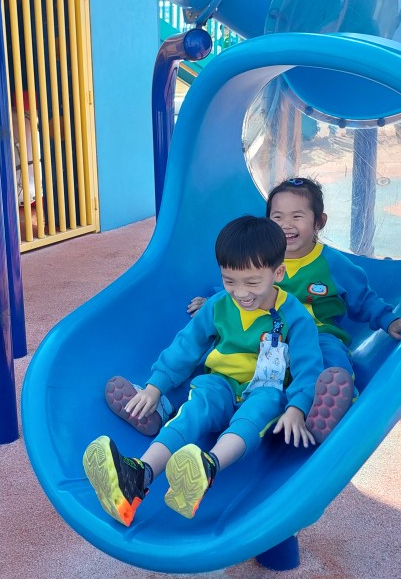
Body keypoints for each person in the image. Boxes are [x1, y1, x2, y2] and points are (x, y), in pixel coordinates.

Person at [83, 215, 324, 527]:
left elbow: (308, 368)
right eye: (229, 281)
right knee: (194, 407)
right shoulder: (218, 305)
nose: (241, 293)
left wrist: (297, 408)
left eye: (252, 282)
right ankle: (138, 476)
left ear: (278, 273)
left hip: (266, 387)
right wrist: (155, 387)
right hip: (220, 383)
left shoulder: (295, 316)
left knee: (259, 409)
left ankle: (208, 467)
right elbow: (187, 345)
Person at [188, 177, 401, 442]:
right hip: (271, 333)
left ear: (319, 221)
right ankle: (197, 399)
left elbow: (363, 298)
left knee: (329, 356)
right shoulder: (263, 258)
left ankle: (331, 405)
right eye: (278, 217)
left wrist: (389, 320)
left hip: (318, 333)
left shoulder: (331, 263)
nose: (286, 225)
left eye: (297, 216)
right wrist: (214, 301)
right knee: (225, 347)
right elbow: (244, 284)